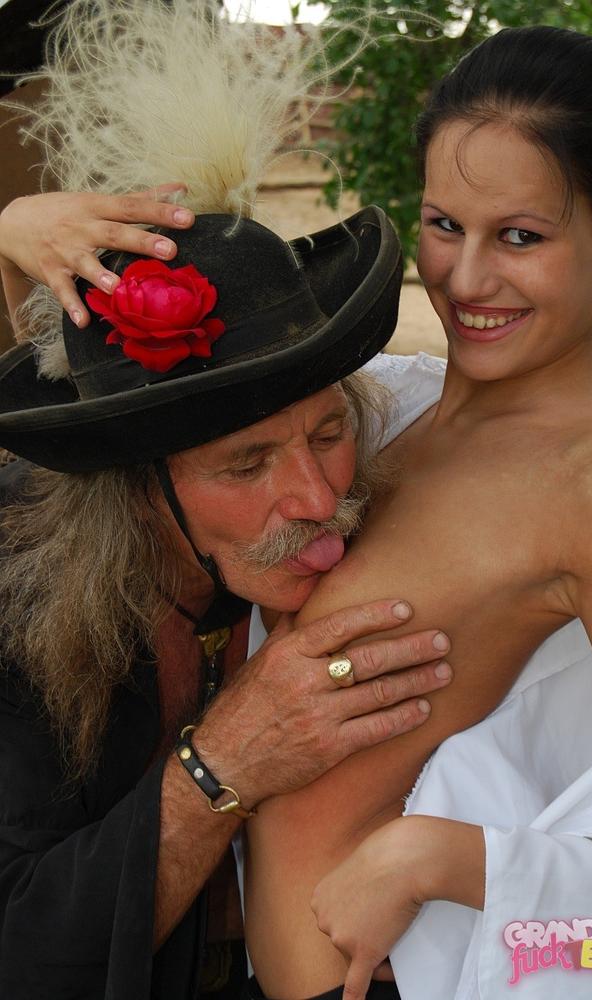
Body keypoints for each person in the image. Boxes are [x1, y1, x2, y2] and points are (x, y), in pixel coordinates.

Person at [0, 4, 459, 998]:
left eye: (328, 433)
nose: (317, 496)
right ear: (133, 487)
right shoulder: (14, 600)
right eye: (245, 466)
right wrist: (221, 765)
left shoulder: (395, 500)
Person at [229, 24, 592, 1000]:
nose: (465, 279)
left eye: (520, 236)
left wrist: (441, 865)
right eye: (443, 225)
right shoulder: (371, 411)